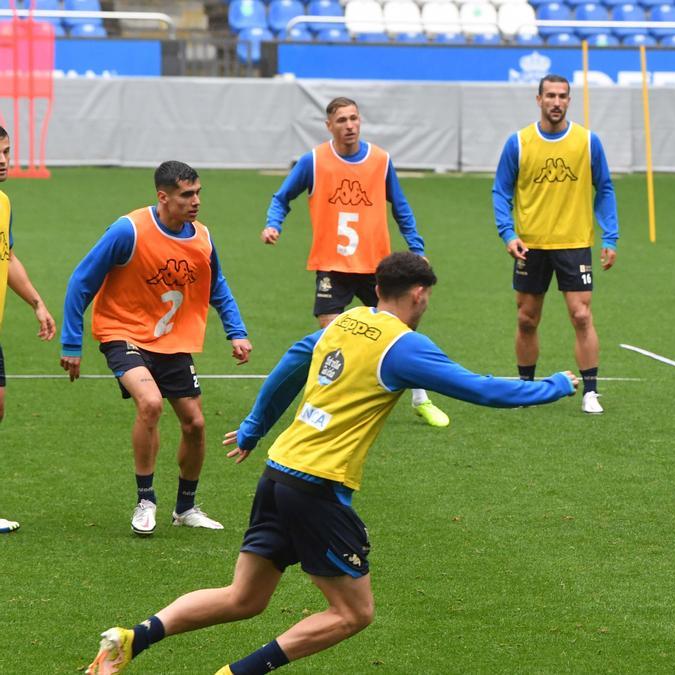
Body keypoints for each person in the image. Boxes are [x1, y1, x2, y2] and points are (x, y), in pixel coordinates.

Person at [85, 252, 578, 675]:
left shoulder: (340, 322)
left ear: (377, 288)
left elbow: (288, 367)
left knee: (244, 599)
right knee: (353, 613)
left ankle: (131, 640)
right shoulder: (403, 345)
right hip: (316, 488)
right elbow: (484, 390)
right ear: (421, 294)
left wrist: (257, 427)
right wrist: (555, 384)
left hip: (279, 473)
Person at [61, 161, 253, 536]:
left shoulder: (202, 237)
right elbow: (81, 282)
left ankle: (185, 508)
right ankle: (146, 500)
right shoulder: (128, 230)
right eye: (187, 194)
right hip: (123, 333)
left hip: (172, 341)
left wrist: (237, 331)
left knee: (195, 424)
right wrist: (72, 342)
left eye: (198, 192)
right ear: (163, 196)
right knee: (149, 403)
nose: (195, 201)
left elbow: (219, 287)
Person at [263, 96, 450, 429]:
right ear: (329, 126)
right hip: (332, 264)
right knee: (332, 336)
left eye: (354, 119)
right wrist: (273, 223)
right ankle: (329, 400)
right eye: (342, 120)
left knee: (403, 329)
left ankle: (421, 398)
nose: (349, 126)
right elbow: (282, 197)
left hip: (376, 265)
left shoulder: (380, 160)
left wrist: (416, 246)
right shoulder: (314, 162)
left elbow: (401, 207)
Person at [492, 73, 619, 415]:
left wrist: (610, 236)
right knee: (527, 319)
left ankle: (590, 392)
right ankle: (526, 389)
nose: (556, 102)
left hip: (574, 242)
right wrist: (508, 233)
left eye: (563, 96)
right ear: (539, 100)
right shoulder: (518, 143)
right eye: (550, 96)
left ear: (569, 101)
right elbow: (501, 191)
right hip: (530, 245)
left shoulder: (587, 141)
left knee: (581, 315)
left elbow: (604, 188)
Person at [0, 125, 57, 534]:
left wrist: (36, 302)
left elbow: (8, 255)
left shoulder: (3, 202)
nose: (4, 161)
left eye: (6, 152)